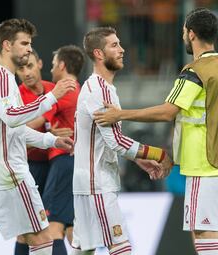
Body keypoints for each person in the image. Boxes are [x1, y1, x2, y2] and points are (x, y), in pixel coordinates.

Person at [94, 8, 218, 255]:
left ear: (192, 34)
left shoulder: (195, 71)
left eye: (184, 32)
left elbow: (167, 112)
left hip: (206, 165)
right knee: (215, 236)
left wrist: (119, 114)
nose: (183, 36)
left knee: (204, 236)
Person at [0, 18, 76, 255]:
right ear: (7, 45)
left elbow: (12, 128)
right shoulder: (2, 77)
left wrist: (50, 140)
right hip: (8, 175)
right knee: (42, 237)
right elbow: (13, 116)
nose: (29, 48)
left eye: (30, 44)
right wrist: (53, 97)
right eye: (24, 43)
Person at [71, 26, 173, 255]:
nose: (122, 49)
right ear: (99, 53)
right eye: (114, 45)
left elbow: (109, 140)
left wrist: (138, 160)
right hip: (97, 183)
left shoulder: (102, 88)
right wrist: (159, 154)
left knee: (83, 250)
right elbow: (116, 141)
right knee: (121, 247)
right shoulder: (100, 89)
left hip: (88, 182)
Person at [20, 45, 84, 255]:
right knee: (28, 229)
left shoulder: (56, 90)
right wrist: (49, 137)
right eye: (21, 68)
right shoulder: (16, 97)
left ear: (39, 64)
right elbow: (13, 139)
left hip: (59, 162)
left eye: (30, 66)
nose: (27, 72)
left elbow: (38, 120)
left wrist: (52, 138)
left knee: (52, 226)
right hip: (30, 165)